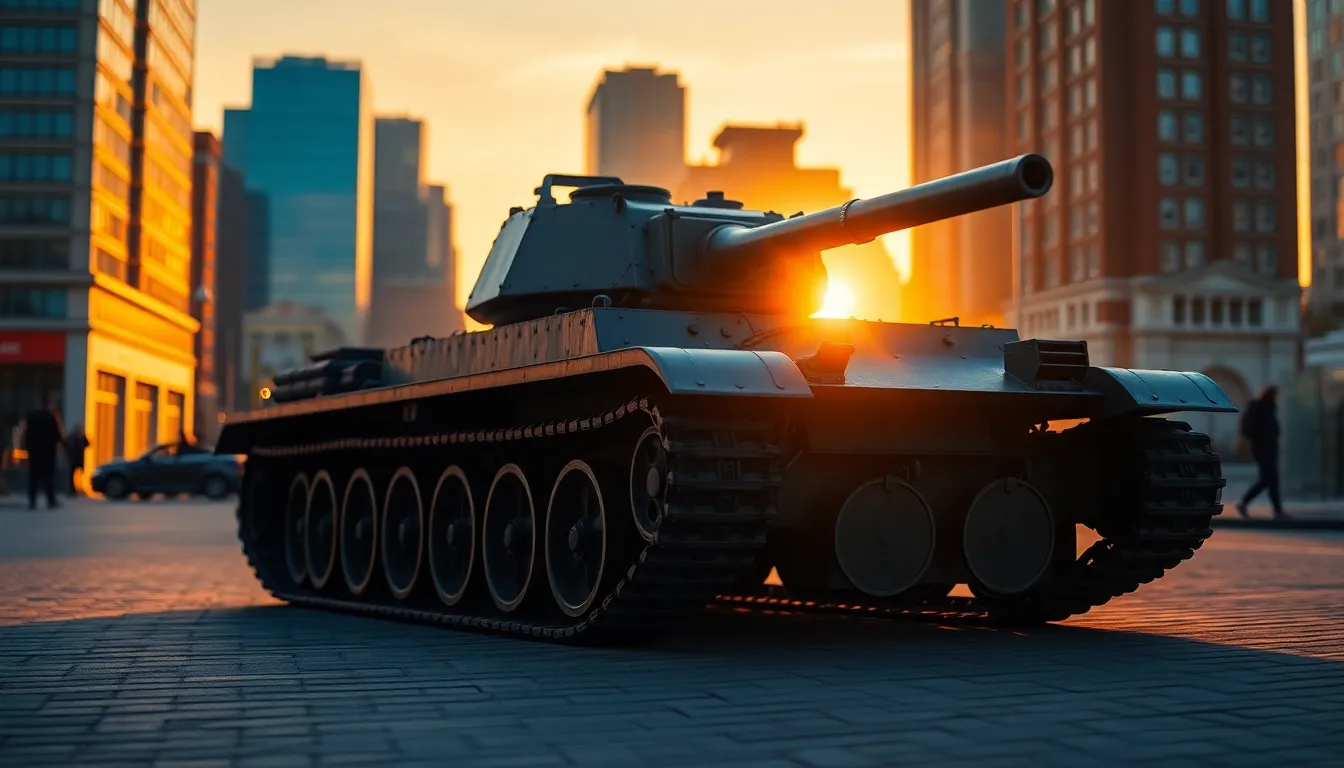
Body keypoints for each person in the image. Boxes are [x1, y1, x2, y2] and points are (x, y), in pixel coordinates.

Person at [1235, 384, 1285, 519]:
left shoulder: (1268, 409)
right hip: (1263, 450)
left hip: (1269, 449)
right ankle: (1244, 503)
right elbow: (1251, 429)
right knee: (1268, 479)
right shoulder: (1260, 408)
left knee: (1270, 479)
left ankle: (1277, 510)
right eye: (1276, 395)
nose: (1277, 398)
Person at [21, 394, 65, 511]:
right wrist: (60, 444)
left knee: (33, 476)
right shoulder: (51, 416)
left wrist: (28, 447)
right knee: (49, 476)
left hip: (35, 451)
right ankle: (50, 500)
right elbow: (57, 434)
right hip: (48, 451)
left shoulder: (31, 416)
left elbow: (27, 434)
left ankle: (32, 500)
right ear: (48, 403)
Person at [64, 425, 90, 496]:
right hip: (74, 459)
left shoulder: (80, 438)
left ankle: (79, 489)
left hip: (79, 459)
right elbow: (66, 446)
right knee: (72, 475)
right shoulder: (72, 438)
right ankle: (72, 490)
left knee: (79, 475)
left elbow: (88, 444)